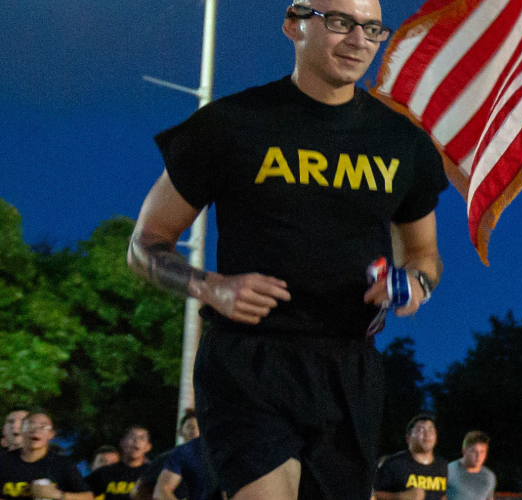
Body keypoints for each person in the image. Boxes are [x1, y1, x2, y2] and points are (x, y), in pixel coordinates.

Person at [123, 0, 449, 498]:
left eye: (372, 28)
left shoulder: (403, 143)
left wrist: (414, 283)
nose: (358, 40)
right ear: (294, 24)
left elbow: (425, 254)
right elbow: (144, 246)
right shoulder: (231, 124)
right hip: (250, 361)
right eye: (339, 22)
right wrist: (211, 287)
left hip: (351, 367)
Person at [0, 413, 92, 500]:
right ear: (22, 431)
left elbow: (88, 497)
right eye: (30, 425)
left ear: (51, 434)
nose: (36, 430)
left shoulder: (62, 464)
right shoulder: (3, 461)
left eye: (43, 427)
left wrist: (58, 495)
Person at [374, 415, 447, 500]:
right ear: (408, 437)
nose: (427, 434)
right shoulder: (394, 464)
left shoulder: (443, 466)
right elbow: (373, 495)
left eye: (431, 430)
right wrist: (400, 496)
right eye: (421, 430)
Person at [154, 412, 213, 500]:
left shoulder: (225, 449)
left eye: (199, 427)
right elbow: (160, 491)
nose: (195, 431)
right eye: (190, 427)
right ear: (180, 431)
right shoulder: (172, 455)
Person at [86, 427, 151, 500]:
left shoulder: (154, 472)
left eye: (142, 438)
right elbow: (82, 493)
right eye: (132, 437)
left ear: (148, 447)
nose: (136, 441)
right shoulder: (104, 473)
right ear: (122, 442)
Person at [443, 432, 493, 500]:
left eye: (482, 452)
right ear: (464, 451)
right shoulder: (448, 471)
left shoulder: (489, 477)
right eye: (474, 451)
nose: (479, 456)